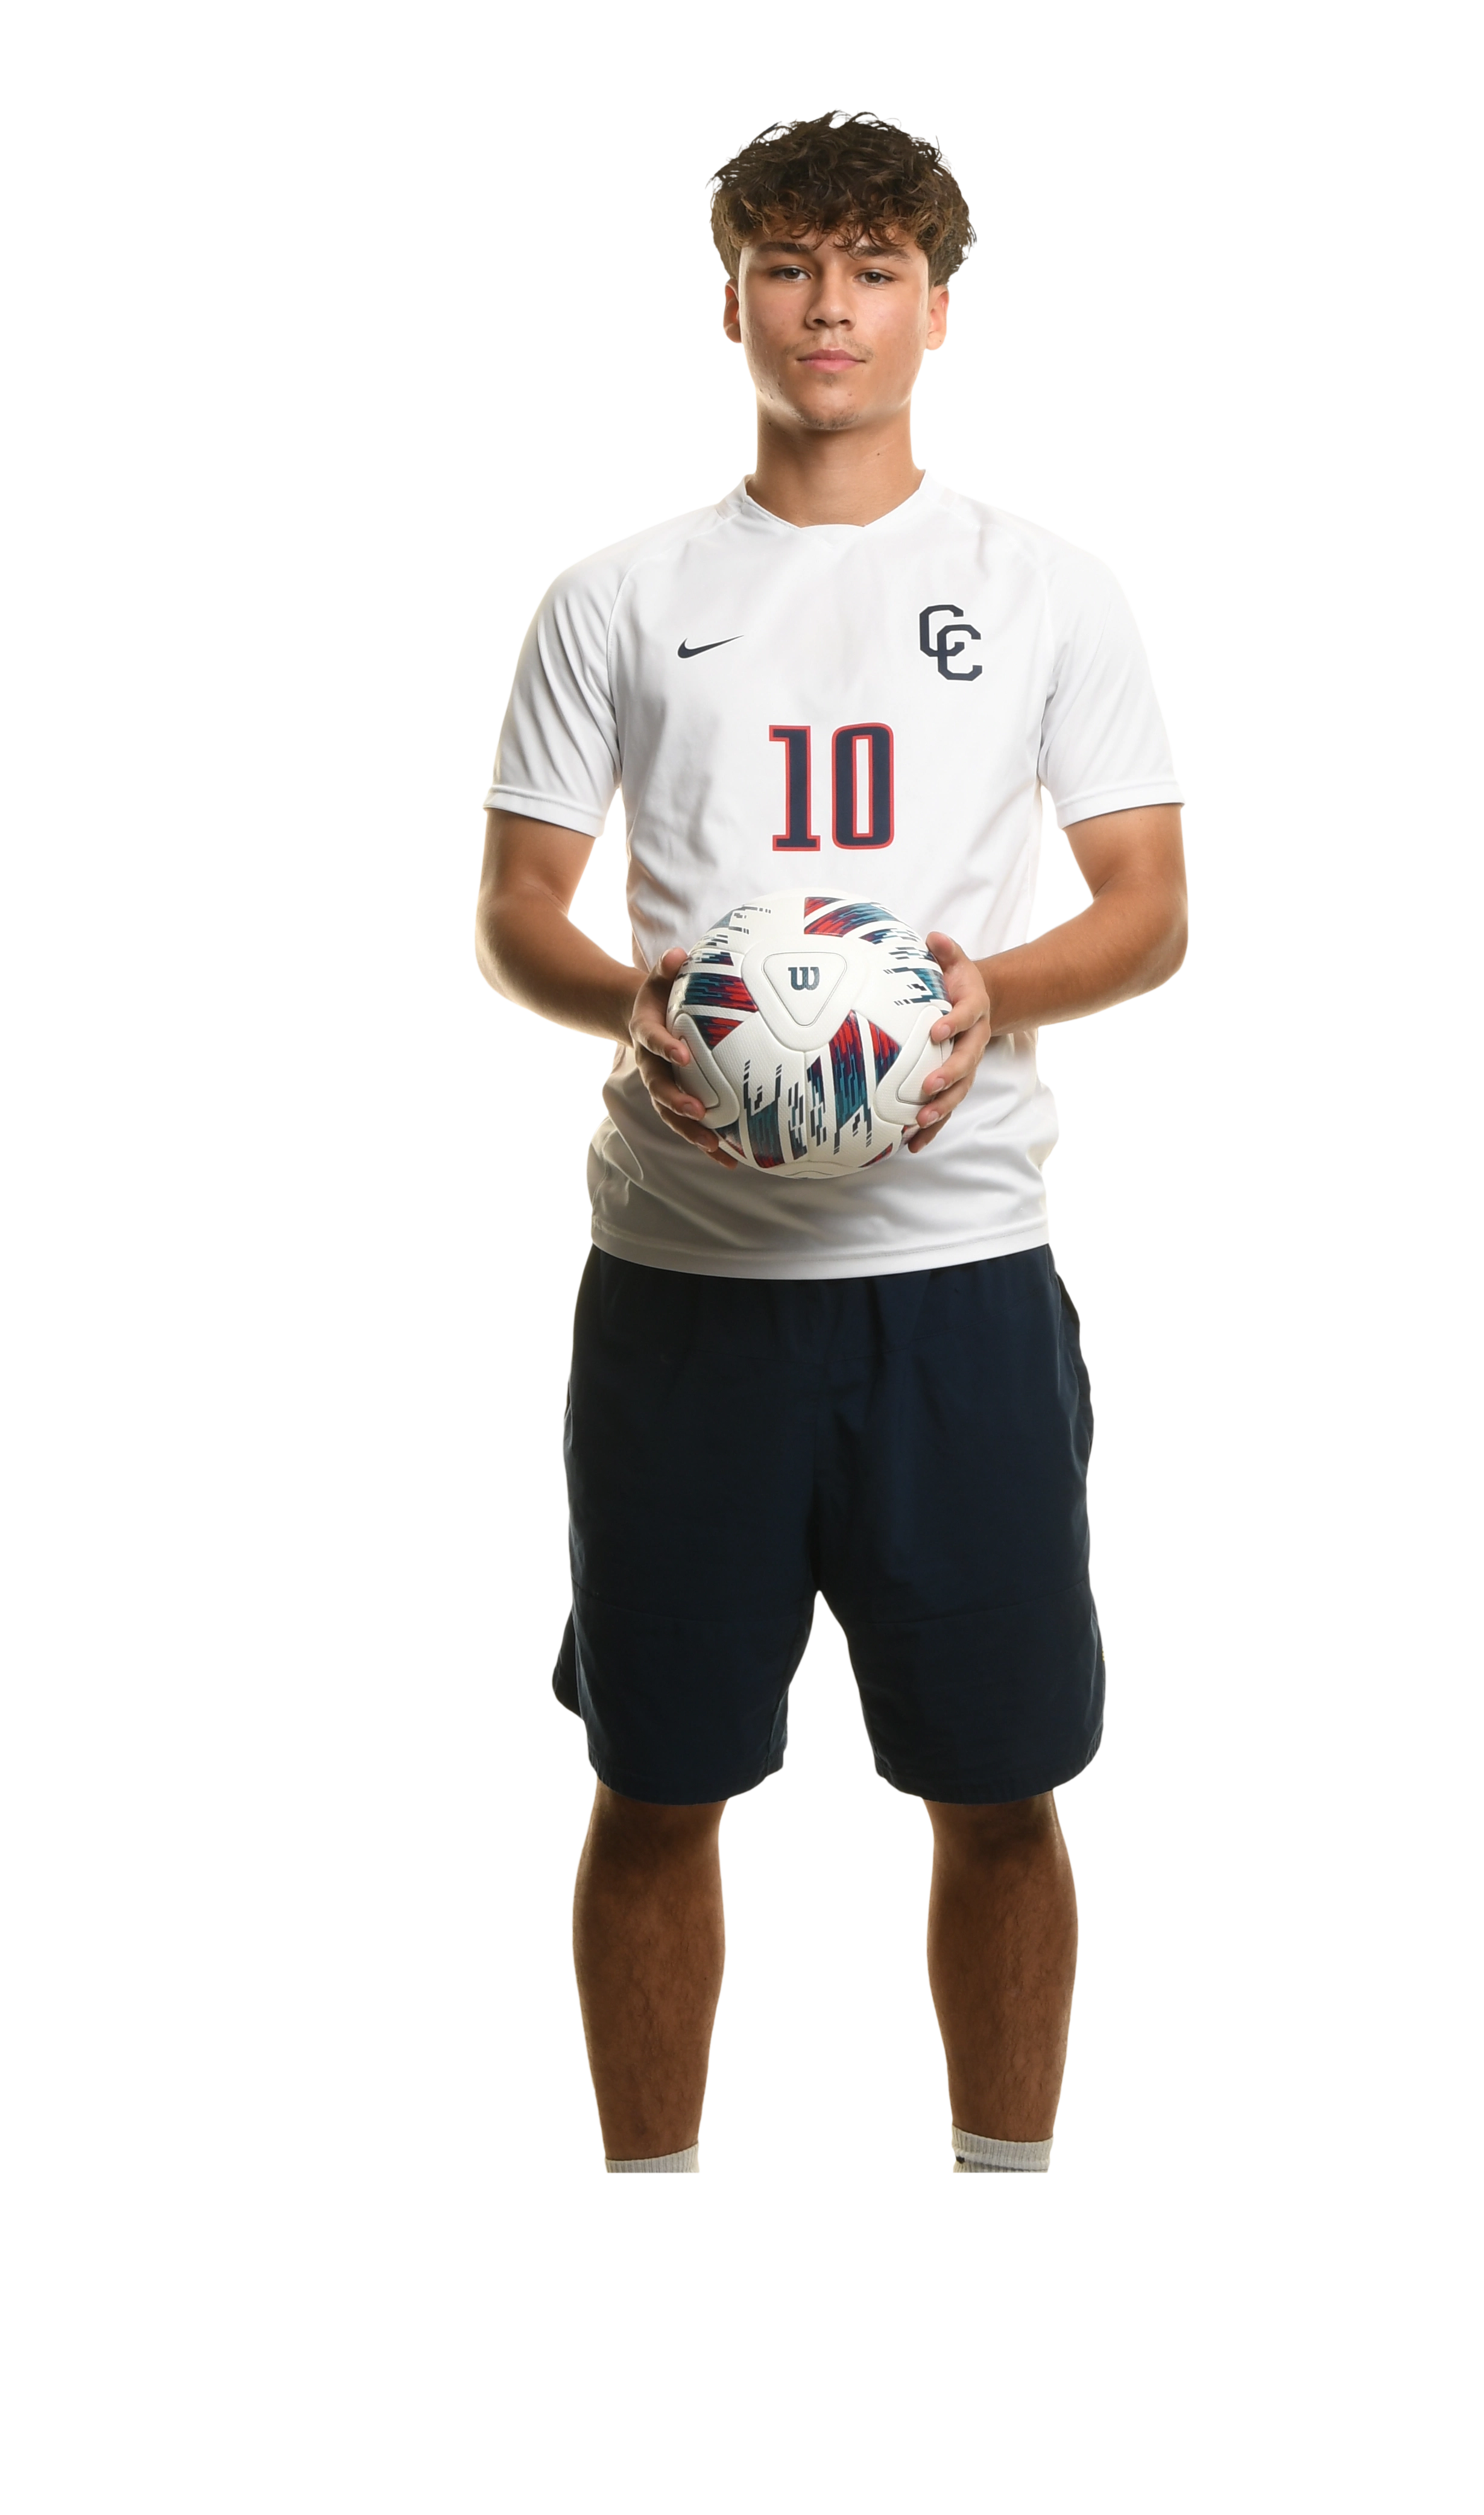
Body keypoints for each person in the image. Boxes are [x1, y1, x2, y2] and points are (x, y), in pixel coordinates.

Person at [473, 109, 1188, 2172]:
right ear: (731, 302)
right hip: (685, 1288)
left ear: (937, 309)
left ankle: (1003, 2203)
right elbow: (518, 907)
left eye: (875, 268)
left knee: (1003, 1789)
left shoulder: (1044, 591)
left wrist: (986, 996)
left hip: (957, 1286)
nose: (829, 308)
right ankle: (653, 2211)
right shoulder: (619, 595)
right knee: (655, 1783)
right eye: (787, 266)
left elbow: (1148, 903)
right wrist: (640, 1007)